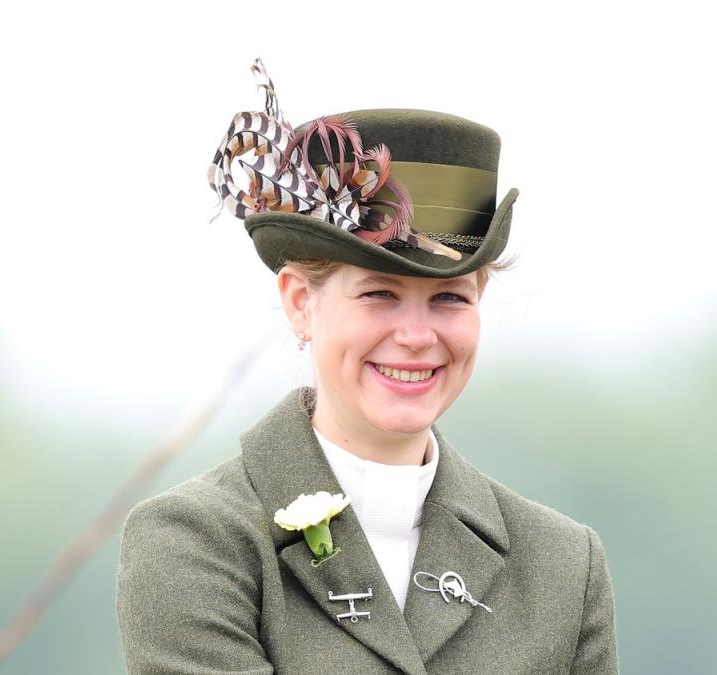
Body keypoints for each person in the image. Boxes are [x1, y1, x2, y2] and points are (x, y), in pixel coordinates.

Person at [115, 60, 620, 674]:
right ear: (301, 303)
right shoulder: (194, 542)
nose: (416, 336)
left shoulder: (564, 565)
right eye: (379, 294)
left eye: (450, 299)